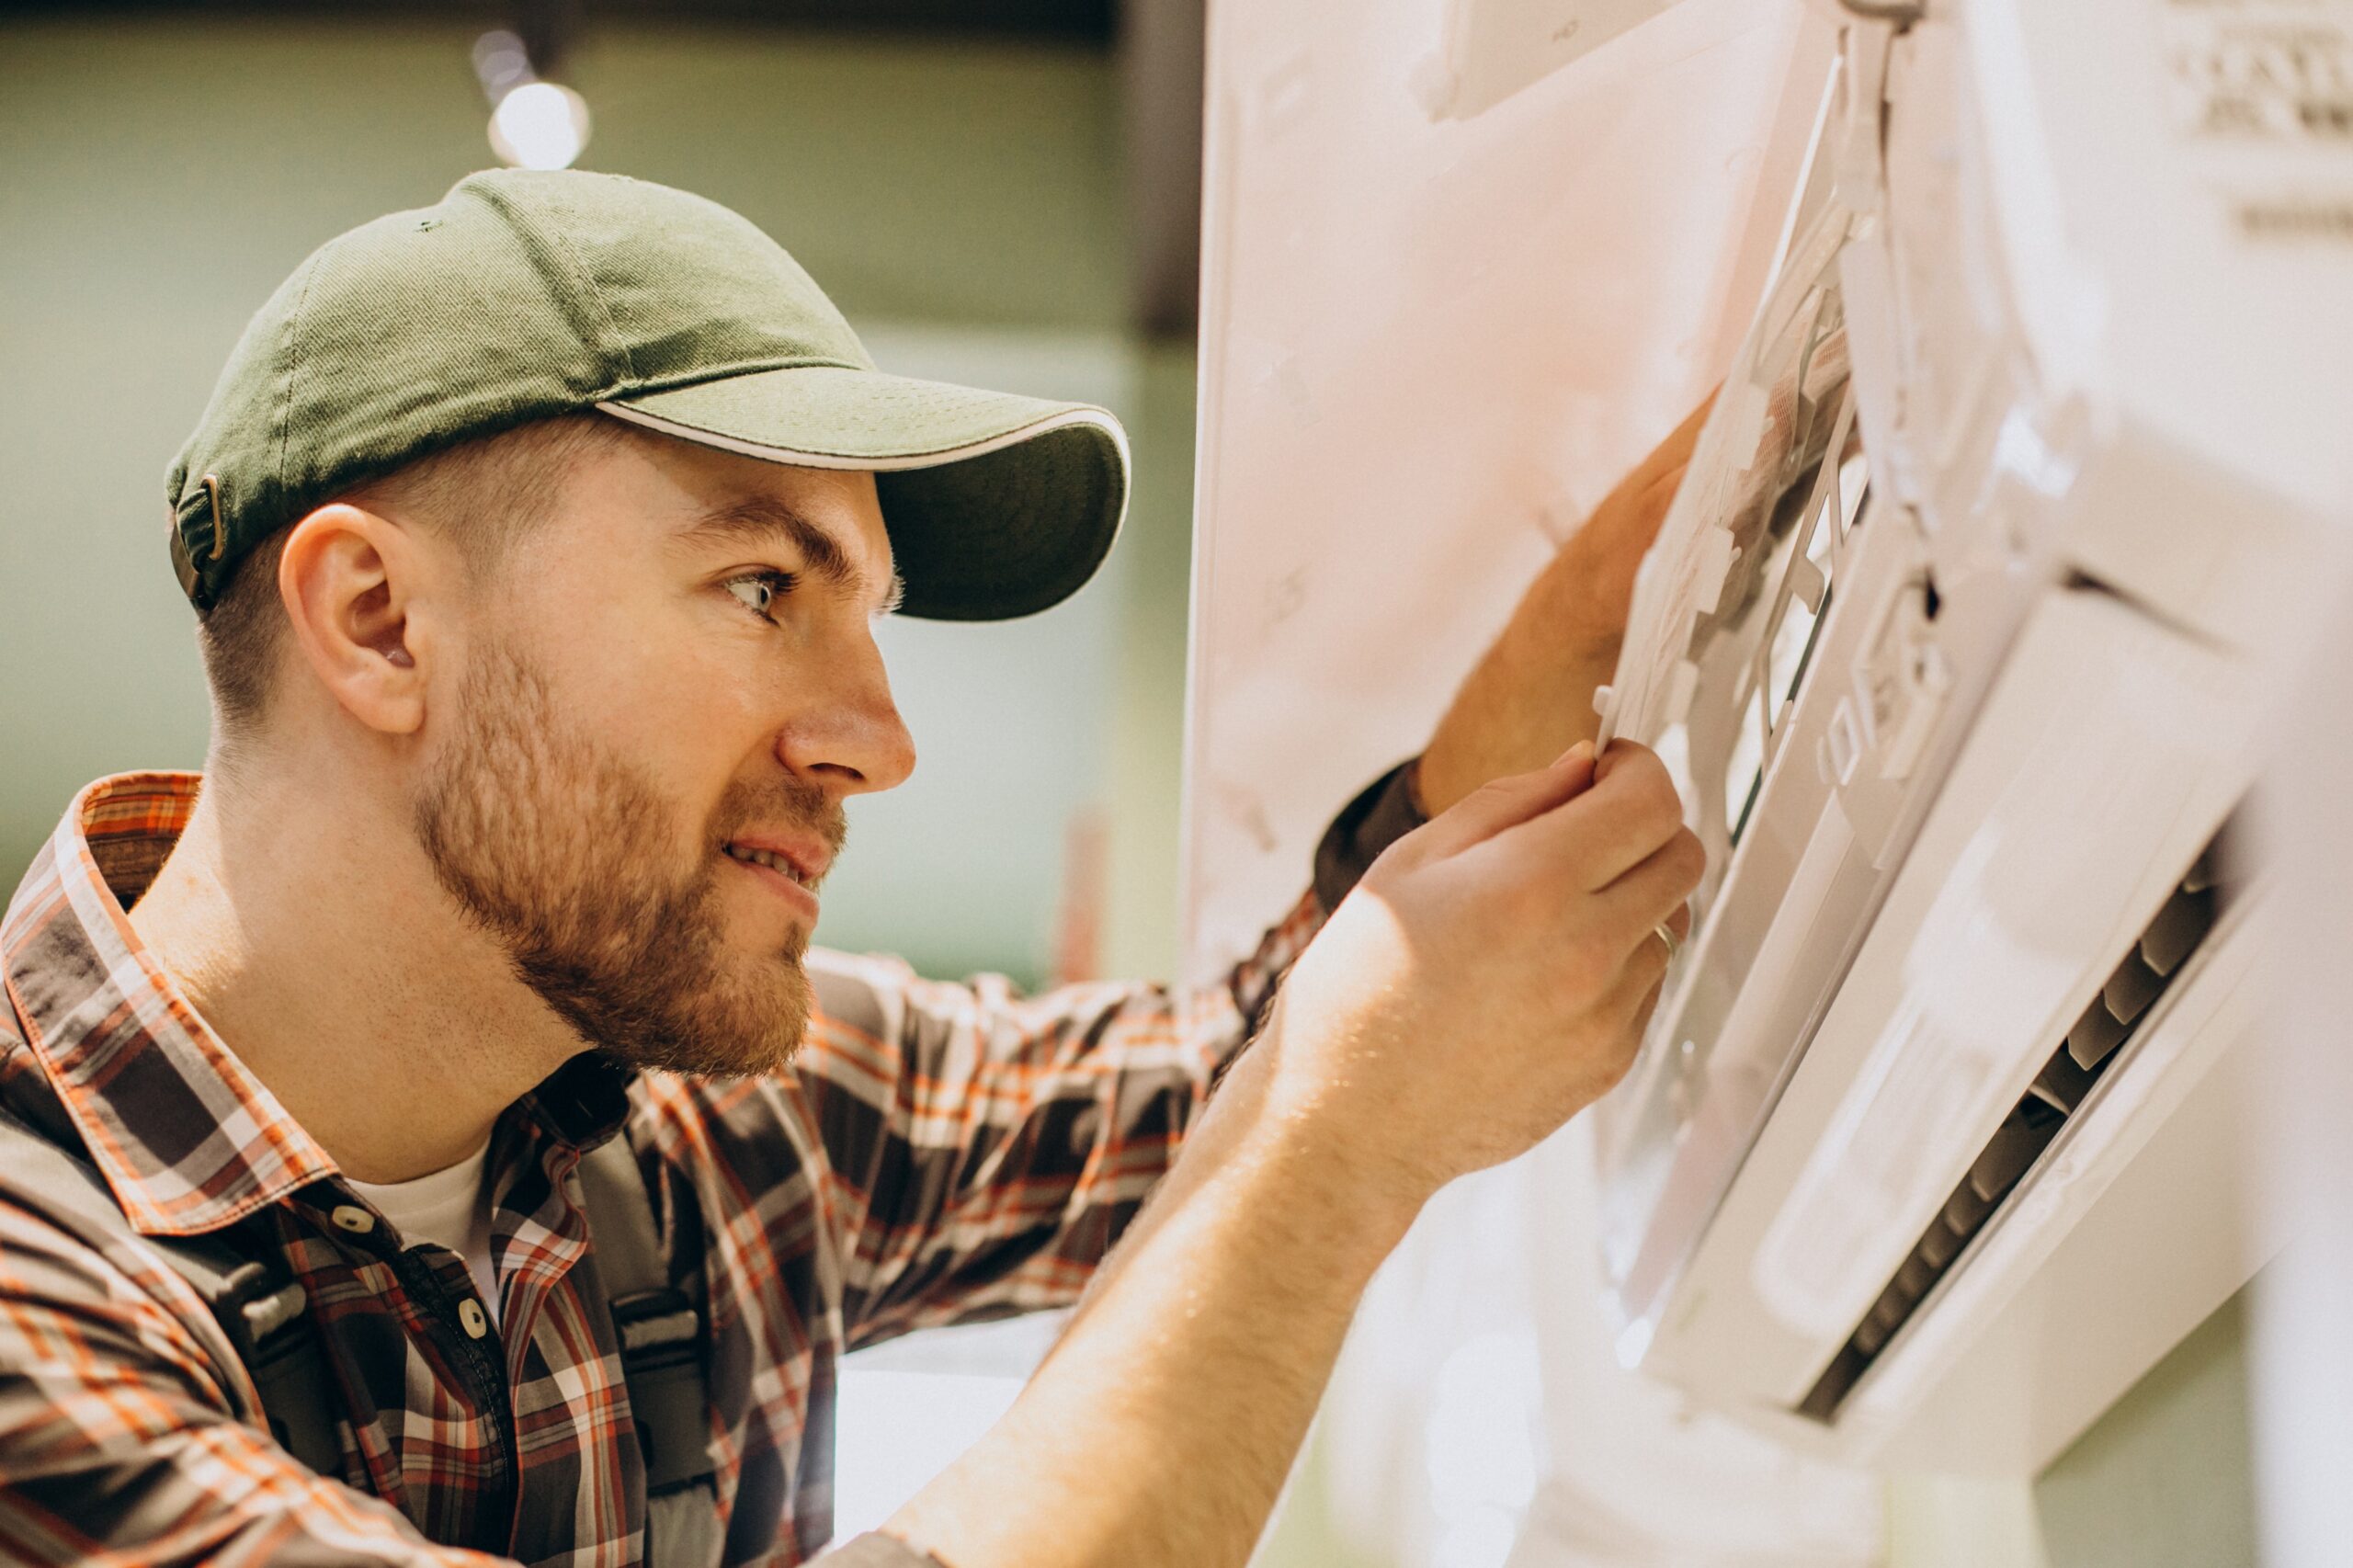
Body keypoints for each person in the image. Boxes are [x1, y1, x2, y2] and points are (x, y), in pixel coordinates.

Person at [0, 169, 1704, 1568]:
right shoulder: (34, 1301)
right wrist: (1340, 1157)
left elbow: (1241, 1068)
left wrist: (1574, 641)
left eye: (867, 616)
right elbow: (1307, 1107)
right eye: (761, 586)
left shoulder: (711, 1109)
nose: (880, 743)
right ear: (379, 623)